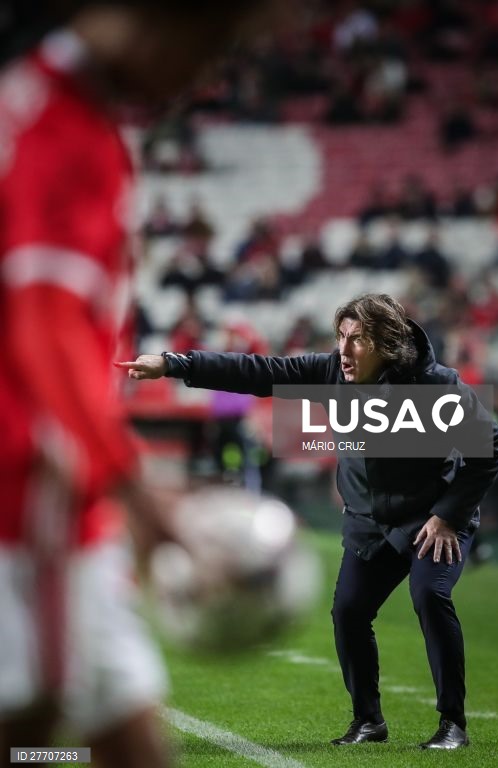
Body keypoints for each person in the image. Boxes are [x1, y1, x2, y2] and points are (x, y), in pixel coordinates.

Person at [0, 0, 277, 766]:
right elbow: (44, 326)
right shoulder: (63, 130)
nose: (204, 70)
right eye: (207, 37)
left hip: (54, 483)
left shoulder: (40, 105)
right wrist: (130, 485)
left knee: (85, 717)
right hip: (32, 483)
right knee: (51, 717)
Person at [116, 293, 498, 750]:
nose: (344, 350)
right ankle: (368, 722)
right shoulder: (329, 373)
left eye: (358, 340)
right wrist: (174, 363)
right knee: (348, 612)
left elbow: (491, 448)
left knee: (429, 594)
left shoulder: (436, 387)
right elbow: (257, 373)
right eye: (341, 337)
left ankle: (453, 725)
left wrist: (447, 515)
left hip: (431, 518)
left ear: (388, 343)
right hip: (369, 521)